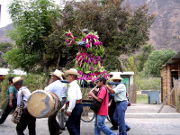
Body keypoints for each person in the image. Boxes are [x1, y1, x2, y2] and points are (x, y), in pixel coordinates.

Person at [44, 69, 67, 135]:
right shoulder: (62, 83)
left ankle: (55, 131)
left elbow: (45, 90)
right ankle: (57, 130)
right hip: (61, 100)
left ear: (56, 77)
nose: (52, 77)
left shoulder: (54, 83)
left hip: (58, 101)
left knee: (51, 117)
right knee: (52, 117)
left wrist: (50, 82)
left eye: (53, 76)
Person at [64, 68, 83, 135]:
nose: (67, 78)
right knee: (76, 125)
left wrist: (69, 109)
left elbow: (72, 99)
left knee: (70, 125)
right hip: (78, 106)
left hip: (76, 106)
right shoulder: (74, 85)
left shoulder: (73, 85)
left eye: (68, 76)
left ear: (71, 76)